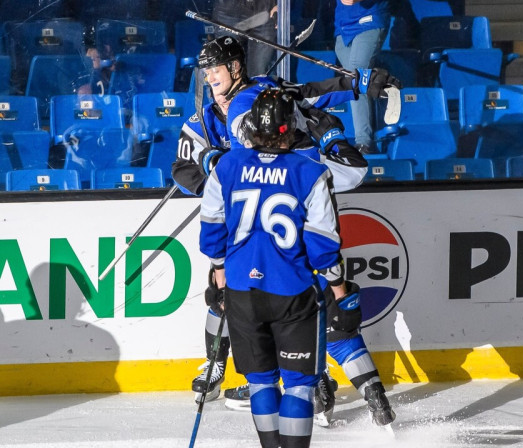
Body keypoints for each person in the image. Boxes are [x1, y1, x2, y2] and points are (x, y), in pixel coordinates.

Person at [173, 37, 399, 423]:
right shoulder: (203, 120)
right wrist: (214, 168)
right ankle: (222, 367)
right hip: (254, 230)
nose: (210, 77)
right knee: (246, 303)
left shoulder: (266, 95)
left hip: (274, 229)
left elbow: (311, 95)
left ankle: (298, 380)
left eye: (217, 68)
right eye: (206, 71)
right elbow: (181, 170)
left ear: (237, 69)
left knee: (279, 306)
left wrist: (354, 85)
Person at [198, 87, 355, 448]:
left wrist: (219, 270)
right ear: (291, 127)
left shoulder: (228, 166)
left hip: (241, 291)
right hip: (292, 293)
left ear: (251, 127)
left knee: (260, 382)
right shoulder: (310, 172)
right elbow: (323, 245)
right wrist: (340, 292)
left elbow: (211, 228)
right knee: (299, 386)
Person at [333, 0, 390, 154]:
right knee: (359, 84)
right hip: (343, 29)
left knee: (356, 77)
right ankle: (375, 134)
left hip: (368, 22)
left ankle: (363, 142)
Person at [212, 0, 279, 75]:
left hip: (265, 9)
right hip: (228, 10)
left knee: (257, 70)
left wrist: (280, 4)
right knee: (228, 68)